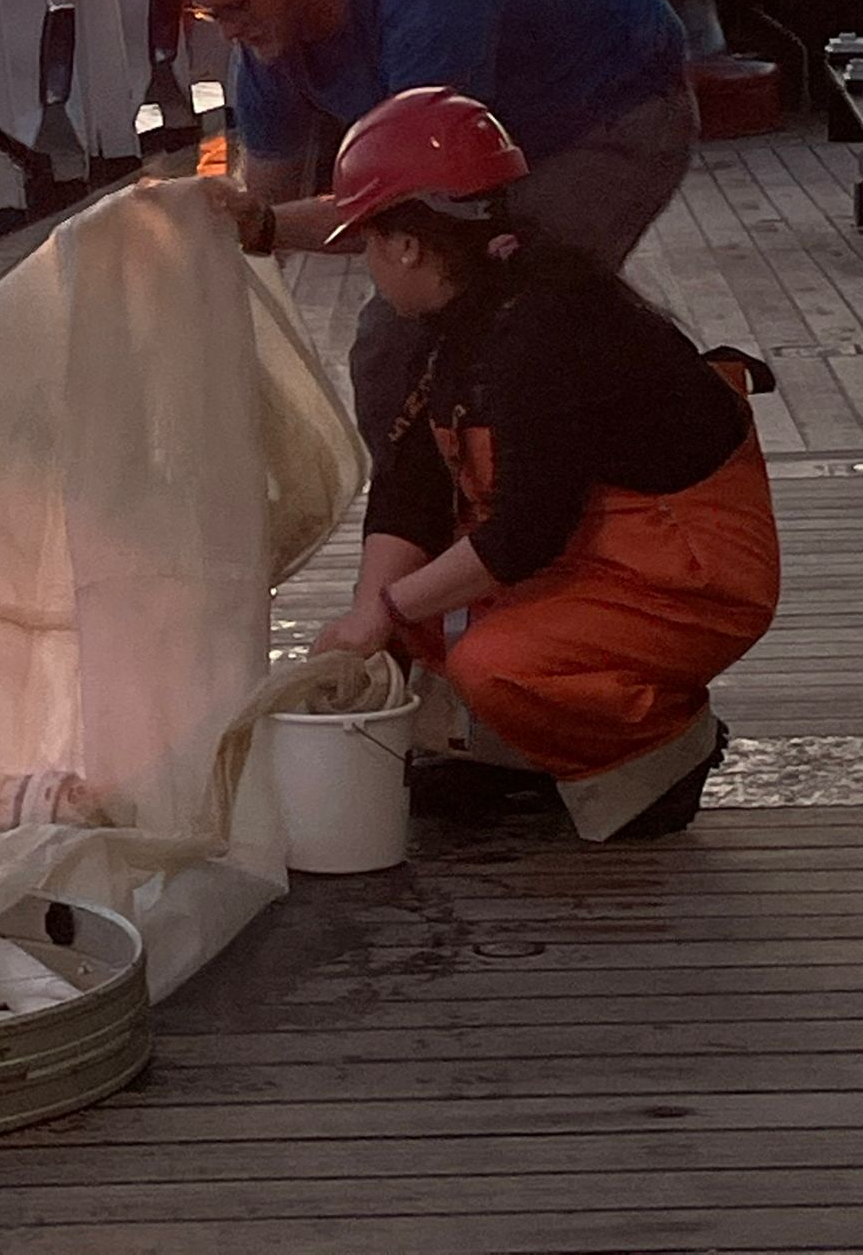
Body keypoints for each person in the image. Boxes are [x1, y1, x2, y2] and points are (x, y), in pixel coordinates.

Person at [215, 86, 780, 841]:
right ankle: (498, 754)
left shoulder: (544, 333)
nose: (370, 265)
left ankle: (660, 757)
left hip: (690, 571)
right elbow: (412, 481)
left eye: (369, 242)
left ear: (409, 245)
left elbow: (528, 533)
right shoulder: (468, 304)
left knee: (496, 664)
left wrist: (383, 609)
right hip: (604, 540)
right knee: (405, 615)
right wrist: (371, 613)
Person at [172, 0, 696, 462]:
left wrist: (268, 226)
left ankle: (600, 484)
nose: (227, 29)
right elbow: (259, 223)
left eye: (237, 4)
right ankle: (430, 529)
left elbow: (417, 211)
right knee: (402, 349)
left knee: (504, 322)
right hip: (509, 130)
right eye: (208, 11)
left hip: (619, 105)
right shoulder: (266, 48)